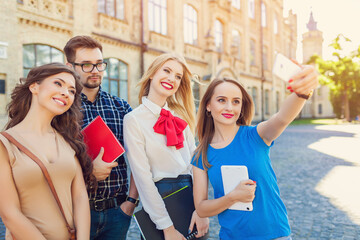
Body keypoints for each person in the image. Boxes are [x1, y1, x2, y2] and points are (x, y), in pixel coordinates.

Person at [192, 65, 319, 239]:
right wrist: (233, 197)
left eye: (236, 101)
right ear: (208, 105)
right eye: (221, 100)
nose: (229, 107)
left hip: (275, 234)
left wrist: (303, 92)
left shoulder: (256, 135)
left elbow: (282, 118)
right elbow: (201, 207)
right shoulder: (201, 154)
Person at [0, 63, 95, 240]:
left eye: (72, 91)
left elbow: (80, 197)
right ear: (34, 86)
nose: (66, 93)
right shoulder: (5, 143)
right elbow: (9, 213)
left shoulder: (68, 140)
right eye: (58, 83)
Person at [123, 53, 209, 240]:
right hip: (159, 201)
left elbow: (195, 166)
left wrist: (202, 210)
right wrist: (166, 227)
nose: (172, 78)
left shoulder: (181, 115)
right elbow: (143, 178)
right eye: (167, 71)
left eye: (178, 76)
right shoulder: (133, 120)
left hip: (190, 196)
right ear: (152, 73)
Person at [64, 36, 138, 240]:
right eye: (86, 65)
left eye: (99, 64)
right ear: (70, 66)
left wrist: (131, 202)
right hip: (75, 211)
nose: (95, 70)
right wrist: (88, 172)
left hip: (117, 211)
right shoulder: (62, 108)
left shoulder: (121, 107)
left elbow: (140, 158)